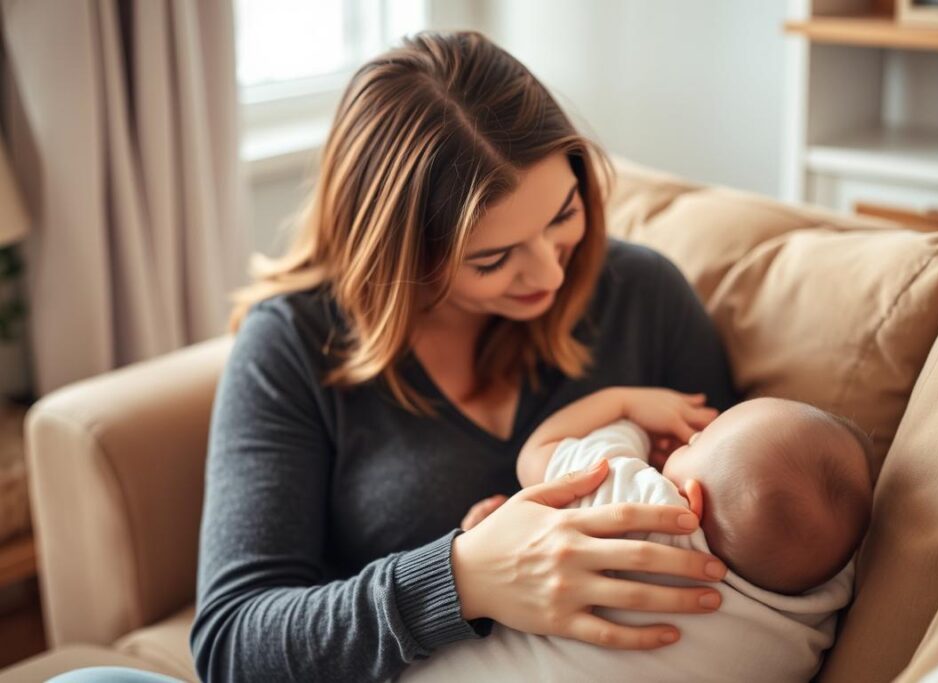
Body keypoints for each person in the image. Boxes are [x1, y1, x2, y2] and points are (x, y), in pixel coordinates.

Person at [43, 30, 739, 683]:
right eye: (493, 258)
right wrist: (463, 576)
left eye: (563, 214)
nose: (550, 276)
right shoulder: (291, 344)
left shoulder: (643, 296)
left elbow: (744, 512)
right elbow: (232, 640)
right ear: (399, 254)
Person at [398, 393, 874, 682]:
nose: (688, 440)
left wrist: (625, 411)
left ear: (692, 502)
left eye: (697, 440)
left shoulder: (639, 502)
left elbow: (536, 456)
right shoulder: (806, 624)